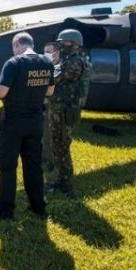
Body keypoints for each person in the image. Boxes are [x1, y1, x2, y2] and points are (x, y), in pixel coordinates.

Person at [0, 32, 54, 220]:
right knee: (34, 165)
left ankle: (6, 211)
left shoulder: (14, 63)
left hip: (13, 122)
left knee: (8, 166)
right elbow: (50, 90)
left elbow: (1, 92)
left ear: (17, 44)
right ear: (32, 44)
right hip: (35, 121)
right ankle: (38, 206)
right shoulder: (46, 63)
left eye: (14, 47)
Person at [47, 29, 92, 196]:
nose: (60, 45)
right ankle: (61, 178)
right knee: (58, 145)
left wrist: (51, 64)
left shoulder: (74, 62)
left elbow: (55, 78)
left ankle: (65, 183)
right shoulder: (75, 59)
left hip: (64, 109)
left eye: (63, 42)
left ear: (73, 43)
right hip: (62, 108)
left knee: (61, 145)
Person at [42, 41, 60, 178]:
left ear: (56, 53)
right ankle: (46, 158)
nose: (45, 54)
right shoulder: (49, 67)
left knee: (53, 136)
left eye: (48, 51)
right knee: (45, 134)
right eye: (44, 52)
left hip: (57, 107)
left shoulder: (59, 68)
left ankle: (52, 163)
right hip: (47, 105)